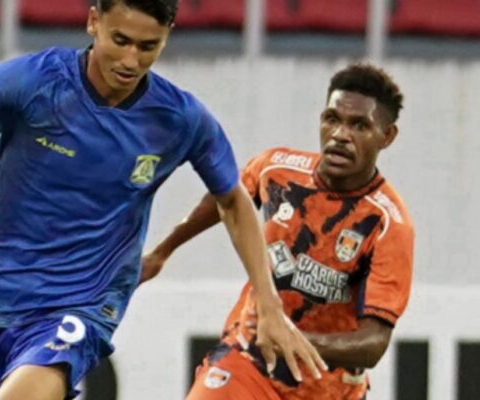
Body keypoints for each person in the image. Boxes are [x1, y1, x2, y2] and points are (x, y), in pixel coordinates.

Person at [0, 1, 325, 399]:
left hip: (83, 303)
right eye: (120, 40)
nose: (130, 61)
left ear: (167, 37)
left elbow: (233, 201)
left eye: (148, 47)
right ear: (93, 22)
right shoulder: (33, 81)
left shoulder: (180, 119)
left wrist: (268, 302)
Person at [141, 64, 414, 400]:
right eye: (332, 119)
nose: (340, 135)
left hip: (326, 390)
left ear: (387, 136)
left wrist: (290, 338)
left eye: (360, 125)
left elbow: (374, 343)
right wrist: (162, 251)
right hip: (249, 361)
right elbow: (227, 199)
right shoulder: (277, 170)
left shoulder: (388, 224)